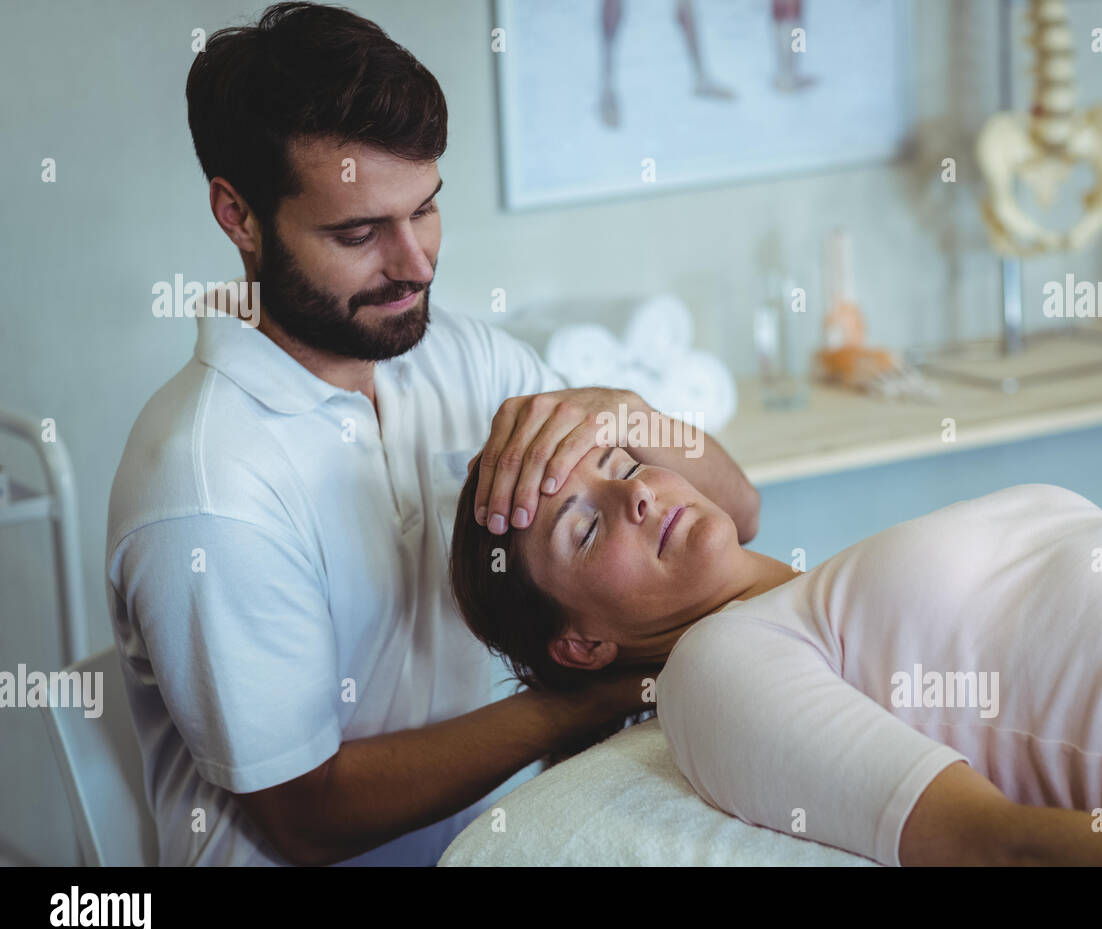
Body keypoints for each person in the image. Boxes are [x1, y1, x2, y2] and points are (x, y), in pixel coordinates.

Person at [105, 2, 759, 867]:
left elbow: (737, 514)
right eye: (359, 232)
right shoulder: (208, 486)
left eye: (426, 210)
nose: (415, 265)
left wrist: (622, 408)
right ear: (239, 217)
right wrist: (591, 700)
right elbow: (305, 817)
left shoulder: (460, 358)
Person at [450, 444, 1102, 865]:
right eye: (588, 524)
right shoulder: (719, 668)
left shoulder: (830, 584)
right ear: (584, 643)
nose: (636, 491)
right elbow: (993, 848)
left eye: (623, 463)